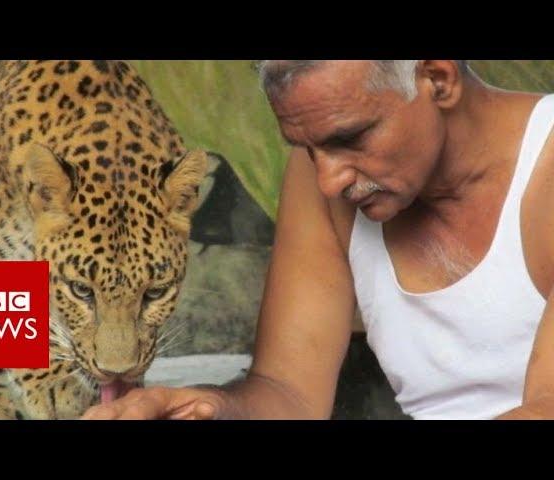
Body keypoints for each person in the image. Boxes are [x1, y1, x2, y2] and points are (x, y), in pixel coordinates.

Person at [81, 60, 554, 420]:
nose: (329, 180)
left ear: (438, 79)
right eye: (308, 148)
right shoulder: (319, 181)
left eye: (350, 138)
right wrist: (203, 407)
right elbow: (289, 391)